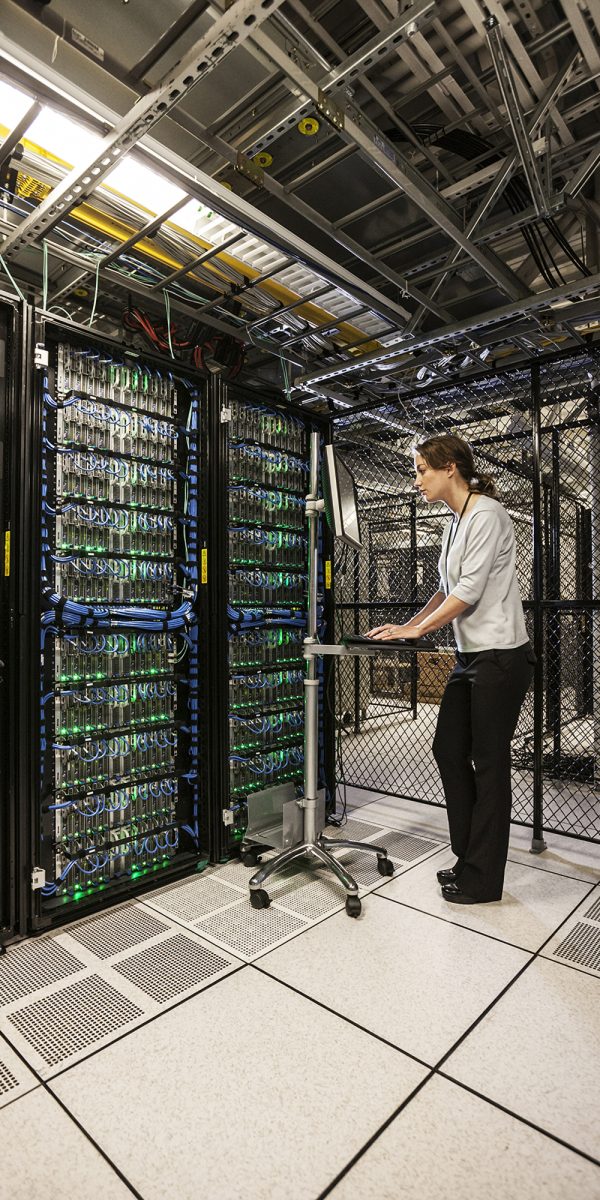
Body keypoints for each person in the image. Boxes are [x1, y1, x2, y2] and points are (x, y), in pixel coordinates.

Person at [367, 434, 535, 905]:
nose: (417, 479)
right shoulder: (455, 522)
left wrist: (419, 633)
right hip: (471, 658)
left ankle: (482, 878)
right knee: (448, 749)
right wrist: (409, 624)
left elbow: (472, 591)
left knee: (490, 765)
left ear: (450, 469)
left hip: (500, 658)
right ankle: (467, 857)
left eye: (423, 469)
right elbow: (447, 590)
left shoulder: (486, 514)